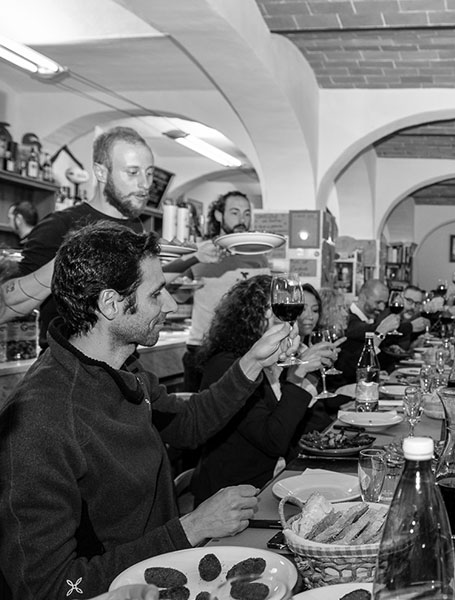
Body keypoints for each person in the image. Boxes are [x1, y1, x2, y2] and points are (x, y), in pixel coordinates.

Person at [0, 222, 298, 599]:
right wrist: (191, 527)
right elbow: (48, 586)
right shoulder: (39, 419)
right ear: (110, 304)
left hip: (168, 577)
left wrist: (253, 362)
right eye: (157, 293)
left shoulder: (121, 368)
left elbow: (186, 424)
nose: (171, 304)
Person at [13, 126, 219, 349]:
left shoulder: (134, 227)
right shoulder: (59, 225)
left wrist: (195, 256)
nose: (144, 184)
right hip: (69, 367)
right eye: (133, 172)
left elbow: (139, 285)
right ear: (101, 172)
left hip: (124, 364)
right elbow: (11, 302)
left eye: (149, 173)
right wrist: (72, 258)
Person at [190, 277, 341, 505]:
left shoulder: (272, 362)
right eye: (278, 315)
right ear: (253, 319)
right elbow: (273, 440)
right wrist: (297, 375)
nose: (288, 324)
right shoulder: (229, 366)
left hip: (278, 481)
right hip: (237, 498)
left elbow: (304, 424)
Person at [181, 190, 269, 391]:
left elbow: (262, 302)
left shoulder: (258, 256)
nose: (242, 219)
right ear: (219, 216)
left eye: (247, 214)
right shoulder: (200, 252)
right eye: (235, 212)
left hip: (243, 349)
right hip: (202, 348)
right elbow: (178, 292)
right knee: (196, 416)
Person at [332, 278, 401, 386]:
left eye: (384, 303)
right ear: (363, 297)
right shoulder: (349, 322)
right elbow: (349, 366)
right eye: (378, 302)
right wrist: (382, 331)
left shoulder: (371, 319)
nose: (382, 307)